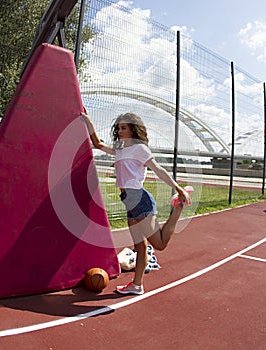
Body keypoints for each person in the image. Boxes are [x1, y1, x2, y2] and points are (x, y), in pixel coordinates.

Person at [81, 111, 191, 295]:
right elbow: (97, 144)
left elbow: (158, 169)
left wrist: (178, 188)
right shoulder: (120, 149)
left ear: (133, 129)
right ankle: (137, 285)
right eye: (119, 128)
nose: (120, 130)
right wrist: (87, 121)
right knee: (140, 247)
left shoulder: (140, 149)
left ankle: (178, 207)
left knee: (159, 245)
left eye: (124, 127)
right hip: (129, 202)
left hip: (140, 199)